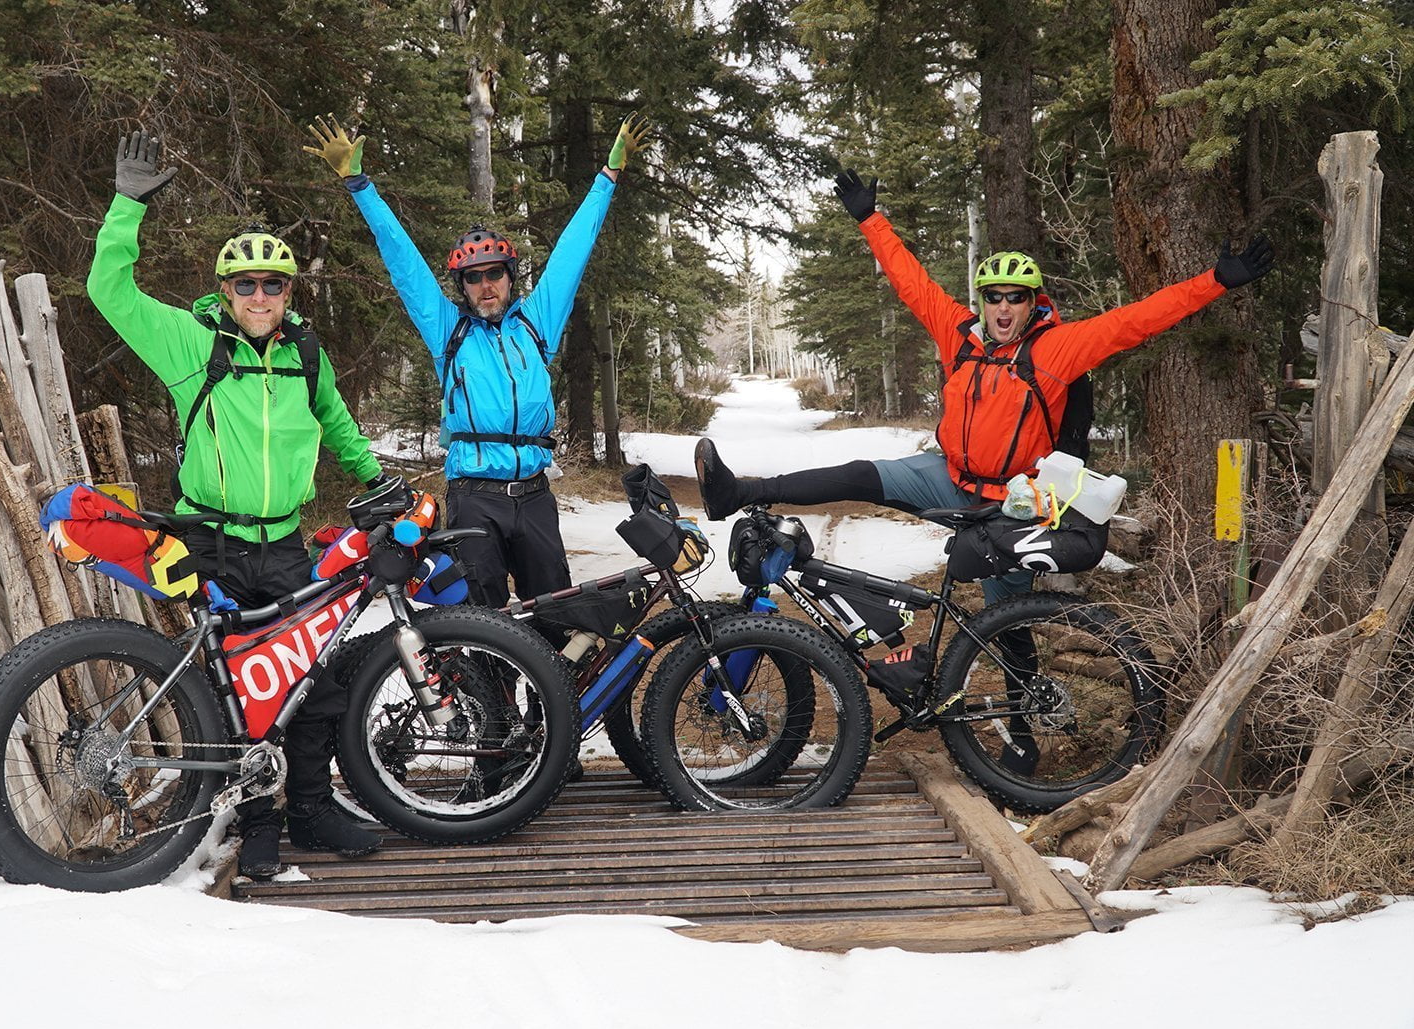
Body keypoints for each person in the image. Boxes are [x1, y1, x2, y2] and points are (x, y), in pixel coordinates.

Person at [696, 165, 1276, 606]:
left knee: (1006, 616)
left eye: (1014, 297)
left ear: (1032, 302)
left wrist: (1216, 281)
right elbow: (912, 284)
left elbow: (1138, 319)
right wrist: (870, 221)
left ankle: (1022, 731)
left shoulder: (1057, 347)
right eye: (993, 296)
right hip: (949, 477)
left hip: (1017, 502)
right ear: (983, 300)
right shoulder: (962, 337)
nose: (1002, 307)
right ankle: (736, 491)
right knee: (859, 475)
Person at [88, 131, 387, 878]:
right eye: (245, 284)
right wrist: (127, 205)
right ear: (225, 292)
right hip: (211, 540)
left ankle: (313, 810)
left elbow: (338, 426)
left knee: (306, 682)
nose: (259, 296)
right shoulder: (193, 344)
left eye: (273, 285)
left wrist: (375, 477)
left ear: (290, 293)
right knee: (237, 692)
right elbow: (109, 291)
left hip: (286, 545)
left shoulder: (305, 354)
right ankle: (259, 826)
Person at [304, 112, 651, 609]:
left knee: (555, 614)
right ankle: (489, 690)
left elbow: (573, 252)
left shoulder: (536, 325)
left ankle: (553, 689)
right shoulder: (450, 331)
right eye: (473, 277)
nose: (485, 285)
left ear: (510, 277)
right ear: (461, 286)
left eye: (494, 274)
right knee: (483, 626)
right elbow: (403, 263)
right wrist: (360, 185)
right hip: (473, 497)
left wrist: (609, 175)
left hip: (533, 495)